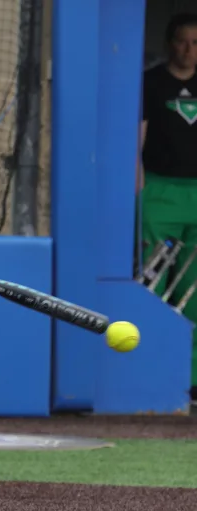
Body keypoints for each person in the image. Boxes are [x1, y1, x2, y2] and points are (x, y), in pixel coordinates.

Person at [139, 13, 197, 393]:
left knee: (192, 291)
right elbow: (136, 140)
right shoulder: (150, 82)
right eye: (182, 41)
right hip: (160, 193)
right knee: (154, 282)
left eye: (196, 43)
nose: (189, 50)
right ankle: (149, 375)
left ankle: (191, 381)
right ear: (169, 43)